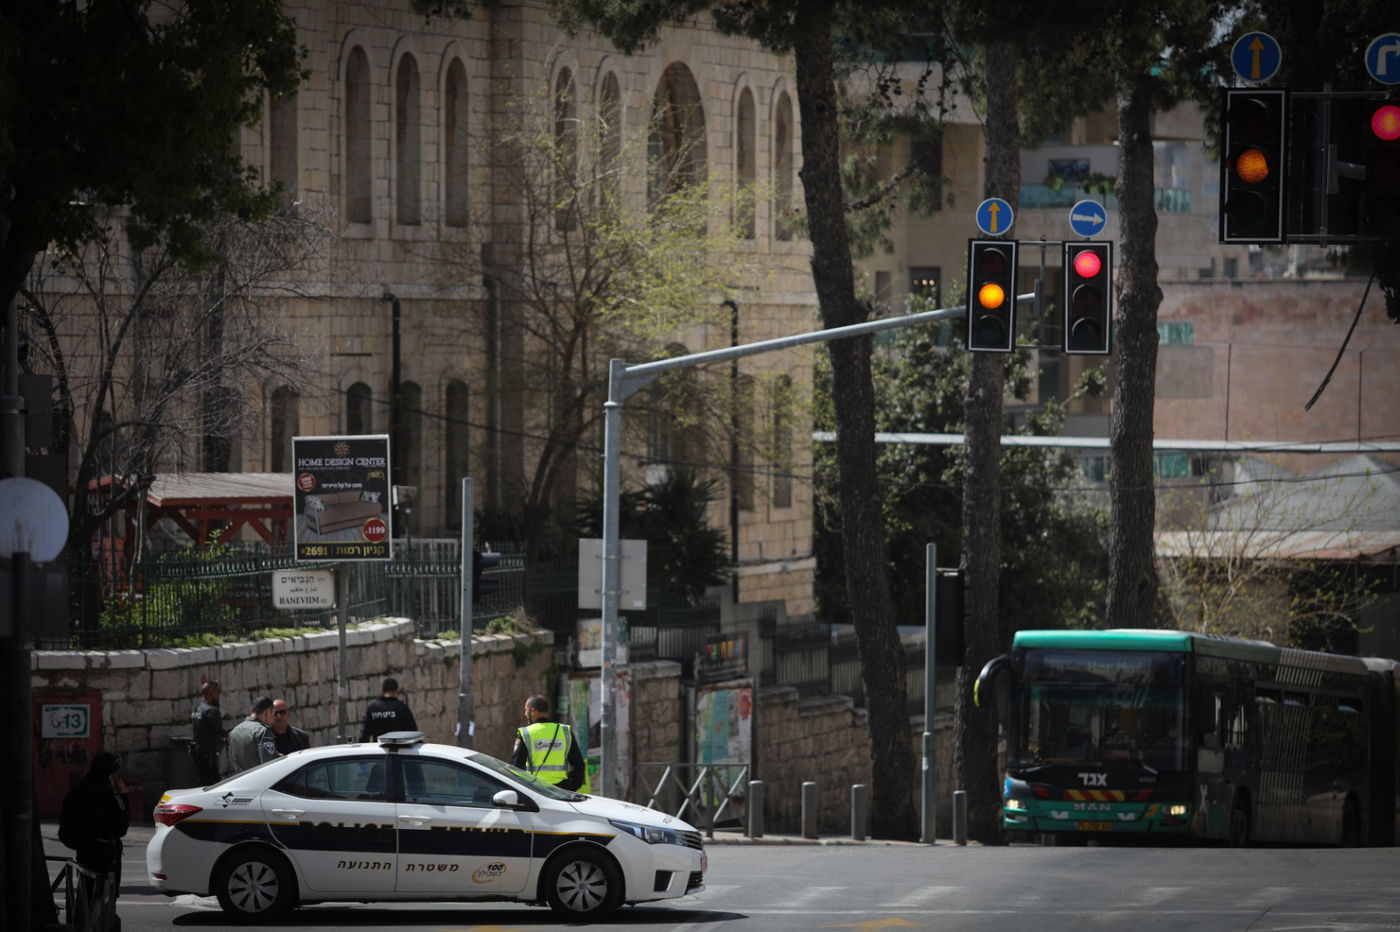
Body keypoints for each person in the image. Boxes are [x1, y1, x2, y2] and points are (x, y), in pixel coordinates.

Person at [59, 751, 130, 913]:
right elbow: (121, 828)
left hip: (85, 854)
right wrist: (123, 796)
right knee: (104, 902)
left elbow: (64, 831)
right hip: (107, 855)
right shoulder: (110, 796)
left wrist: (83, 843)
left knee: (85, 895)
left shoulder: (76, 792)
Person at [512, 694, 587, 792]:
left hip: (535, 790)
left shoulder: (526, 733)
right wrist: (572, 787)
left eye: (526, 710)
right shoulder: (565, 731)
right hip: (561, 790)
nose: (525, 713)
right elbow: (579, 764)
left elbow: (516, 767)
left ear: (533, 710)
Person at [359, 676, 417, 741]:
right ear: (396, 691)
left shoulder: (372, 708)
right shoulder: (401, 707)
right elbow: (412, 732)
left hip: (379, 749)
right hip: (399, 749)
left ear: (383, 691)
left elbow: (364, 735)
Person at [190, 680, 226, 784]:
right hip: (208, 753)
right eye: (217, 692)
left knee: (201, 780)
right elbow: (219, 731)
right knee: (212, 782)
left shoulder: (198, 708)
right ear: (210, 693)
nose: (218, 695)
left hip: (197, 751)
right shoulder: (212, 710)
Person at [228, 696, 278, 771]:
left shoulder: (233, 732)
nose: (274, 718)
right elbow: (270, 764)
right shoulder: (262, 731)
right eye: (274, 714)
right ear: (266, 713)